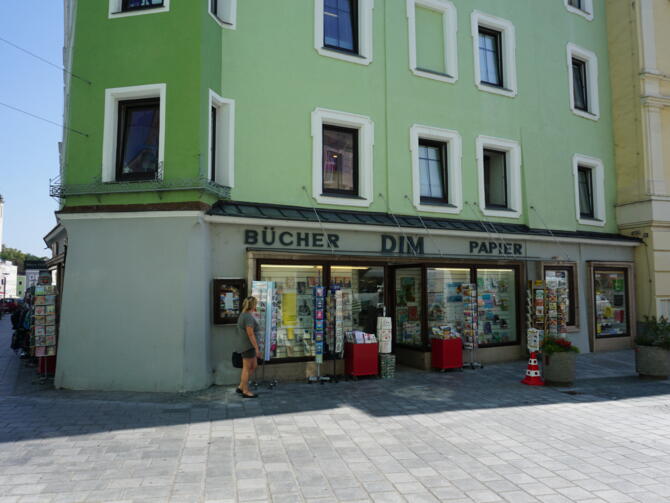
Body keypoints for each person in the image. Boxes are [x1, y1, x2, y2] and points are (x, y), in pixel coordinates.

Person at [236, 296, 261, 398]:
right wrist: (256, 348)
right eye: (256, 303)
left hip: (247, 345)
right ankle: (245, 391)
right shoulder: (248, 317)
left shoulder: (244, 315)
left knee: (253, 366)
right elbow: (250, 334)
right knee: (246, 368)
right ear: (253, 305)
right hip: (248, 346)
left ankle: (241, 387)